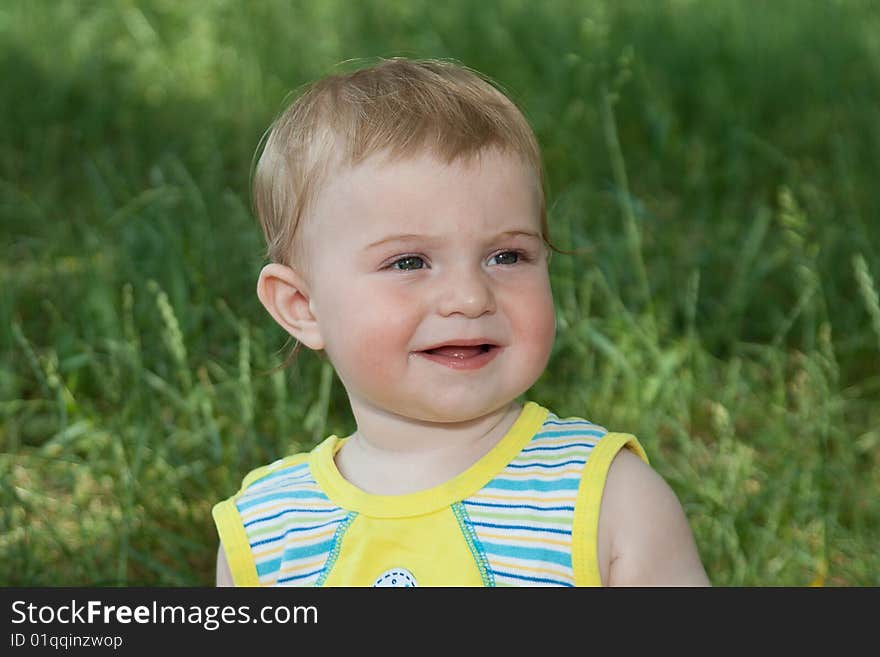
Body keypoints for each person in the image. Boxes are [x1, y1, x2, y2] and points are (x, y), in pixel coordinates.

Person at [212, 57, 710, 587]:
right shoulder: (267, 534)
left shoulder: (607, 500)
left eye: (507, 256)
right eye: (409, 263)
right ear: (301, 307)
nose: (471, 298)